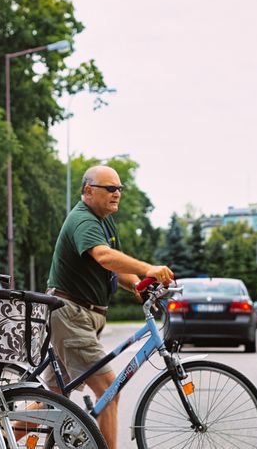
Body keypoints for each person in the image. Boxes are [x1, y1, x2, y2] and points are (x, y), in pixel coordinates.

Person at [44, 165, 174, 449]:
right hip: (71, 315)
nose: (117, 194)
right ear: (88, 190)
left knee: (55, 397)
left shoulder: (104, 221)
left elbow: (114, 268)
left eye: (119, 189)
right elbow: (104, 256)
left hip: (79, 316)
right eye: (110, 188)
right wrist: (149, 267)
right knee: (110, 390)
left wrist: (142, 286)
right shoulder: (84, 220)